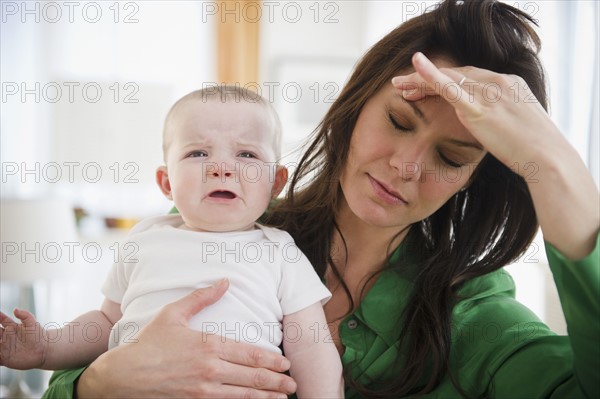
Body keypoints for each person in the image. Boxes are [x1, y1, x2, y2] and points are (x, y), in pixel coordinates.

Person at [13, 0, 600, 397]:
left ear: (475, 177)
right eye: (399, 120)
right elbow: (98, 340)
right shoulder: (210, 224)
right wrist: (102, 381)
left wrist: (552, 159)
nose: (406, 166)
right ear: (356, 103)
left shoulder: (473, 317)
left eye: (451, 157)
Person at [0, 86, 344, 398]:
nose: (221, 168)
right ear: (166, 182)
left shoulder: (280, 251)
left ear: (275, 182)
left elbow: (311, 347)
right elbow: (106, 324)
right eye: (198, 154)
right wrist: (46, 347)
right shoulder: (146, 238)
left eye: (247, 155)